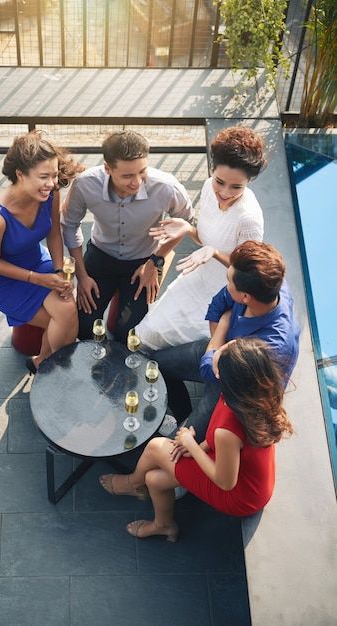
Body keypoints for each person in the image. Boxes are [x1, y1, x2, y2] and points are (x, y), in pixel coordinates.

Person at [99, 337, 294, 541]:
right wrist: (199, 446)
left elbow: (225, 482)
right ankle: (164, 525)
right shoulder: (250, 394)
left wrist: (192, 446)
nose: (222, 345)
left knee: (155, 447)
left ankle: (133, 483)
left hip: (240, 495)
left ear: (219, 376)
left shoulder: (228, 429)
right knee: (154, 479)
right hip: (243, 474)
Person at [135, 125, 267, 353]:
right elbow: (204, 239)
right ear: (212, 170)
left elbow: (248, 272)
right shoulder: (208, 188)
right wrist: (187, 228)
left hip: (223, 295)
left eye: (236, 186)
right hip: (197, 279)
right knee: (146, 333)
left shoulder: (249, 219)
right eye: (220, 181)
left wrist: (214, 252)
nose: (225, 192)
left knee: (168, 350)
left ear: (249, 182)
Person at [154, 241, 301, 442]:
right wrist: (219, 343)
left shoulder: (270, 348)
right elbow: (218, 304)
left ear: (246, 297)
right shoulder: (273, 283)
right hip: (219, 353)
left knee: (175, 448)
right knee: (155, 365)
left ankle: (191, 424)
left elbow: (210, 370)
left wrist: (223, 326)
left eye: (229, 281)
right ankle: (183, 413)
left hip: (234, 391)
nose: (227, 284)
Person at [60, 129, 194, 343]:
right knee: (83, 330)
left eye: (142, 171)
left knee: (129, 335)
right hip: (101, 255)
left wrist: (156, 260)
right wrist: (82, 276)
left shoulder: (167, 187)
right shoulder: (85, 184)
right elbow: (69, 226)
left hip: (143, 261)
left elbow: (186, 223)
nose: (137, 182)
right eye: (127, 176)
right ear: (107, 169)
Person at [0, 130, 84, 374]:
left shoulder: (50, 195)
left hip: (39, 263)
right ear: (20, 174)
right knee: (60, 322)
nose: (52, 184)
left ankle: (43, 363)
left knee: (67, 307)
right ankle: (58, 368)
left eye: (55, 175)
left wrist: (59, 273)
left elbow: (54, 234)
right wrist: (38, 279)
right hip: (4, 279)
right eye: (44, 177)